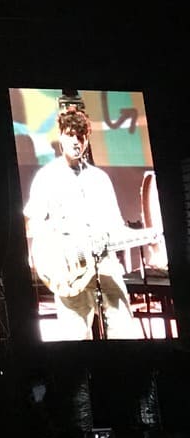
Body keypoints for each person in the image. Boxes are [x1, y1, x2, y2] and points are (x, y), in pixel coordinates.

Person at [23, 105, 143, 340]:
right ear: (60, 136)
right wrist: (58, 247)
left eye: (81, 137)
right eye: (71, 135)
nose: (76, 142)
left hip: (104, 263)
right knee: (75, 336)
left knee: (124, 330)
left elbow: (115, 225)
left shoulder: (100, 179)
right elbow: (31, 224)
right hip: (70, 268)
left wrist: (142, 234)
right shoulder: (47, 177)